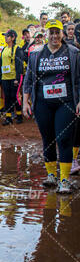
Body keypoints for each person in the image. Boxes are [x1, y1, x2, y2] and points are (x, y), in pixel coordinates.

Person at [23, 19, 80, 194]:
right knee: (47, 139)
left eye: (57, 32)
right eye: (51, 32)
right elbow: (29, 80)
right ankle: (51, 176)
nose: (55, 36)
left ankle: (64, 180)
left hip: (67, 102)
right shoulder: (36, 54)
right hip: (43, 103)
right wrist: (26, 101)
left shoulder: (74, 53)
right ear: (46, 34)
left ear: (62, 34)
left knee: (64, 139)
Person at [0, 29, 24, 125]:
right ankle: (8, 117)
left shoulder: (17, 49)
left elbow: (19, 64)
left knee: (15, 96)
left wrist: (17, 78)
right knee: (7, 97)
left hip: (13, 77)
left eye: (7, 36)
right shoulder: (4, 49)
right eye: (5, 36)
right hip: (5, 77)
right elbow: (1, 64)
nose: (5, 38)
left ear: (13, 38)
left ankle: (19, 115)